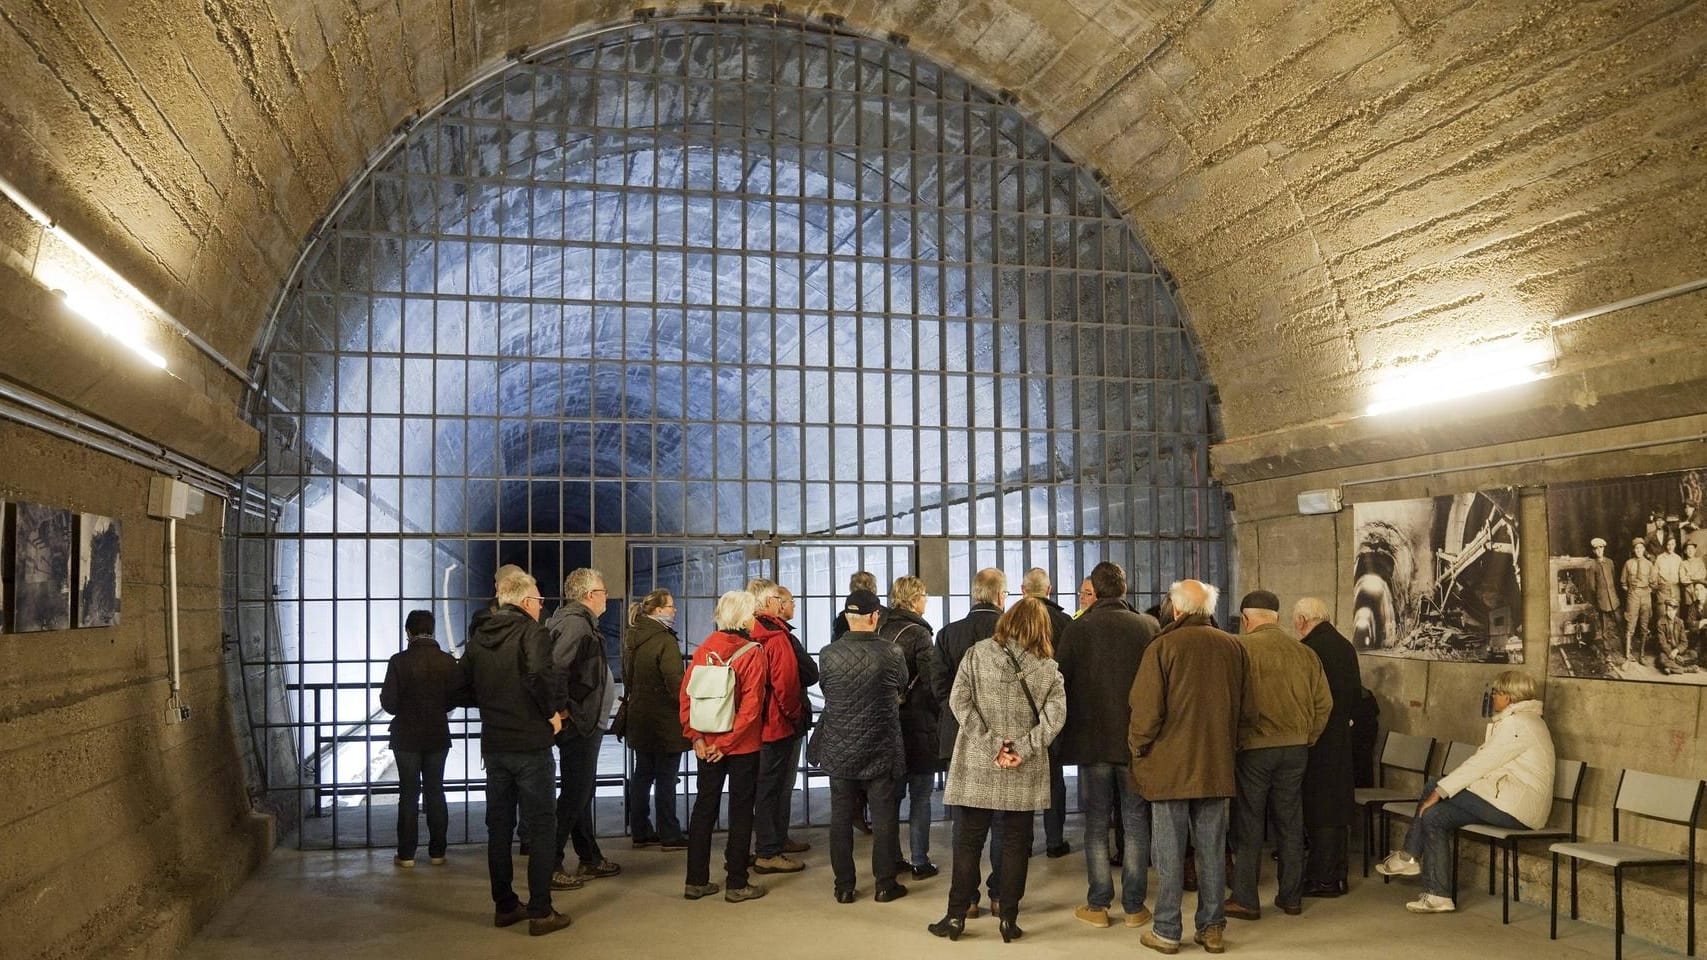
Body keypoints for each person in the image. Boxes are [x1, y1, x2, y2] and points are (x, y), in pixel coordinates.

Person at [927, 598, 1066, 943]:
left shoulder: (976, 654)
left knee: (968, 842)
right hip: (1024, 766)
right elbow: (1055, 719)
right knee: (1016, 844)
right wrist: (1022, 748)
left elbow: (959, 702)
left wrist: (992, 744)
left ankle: (956, 916)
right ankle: (1008, 918)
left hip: (978, 762)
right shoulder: (1047, 667)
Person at [1129, 579, 1254, 956]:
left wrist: (1138, 748)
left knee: (1169, 852)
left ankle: (1167, 931)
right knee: (1212, 849)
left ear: (1177, 609)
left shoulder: (1163, 647)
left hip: (1169, 768)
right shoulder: (1234, 647)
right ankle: (1212, 928)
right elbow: (1248, 711)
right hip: (1216, 766)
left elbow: (1146, 712)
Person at [1376, 671, 1556, 914]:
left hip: (1517, 809)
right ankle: (1437, 895)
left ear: (1511, 697)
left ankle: (1408, 856)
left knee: (1433, 785)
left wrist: (1441, 790)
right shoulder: (1519, 720)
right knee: (1434, 817)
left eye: (1497, 692)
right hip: (1504, 800)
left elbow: (1482, 763)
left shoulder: (1519, 724)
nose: (1493, 696)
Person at [461, 569, 570, 936]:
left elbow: (463, 686)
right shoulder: (531, 633)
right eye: (539, 600)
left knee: (499, 827)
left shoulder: (479, 636)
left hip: (494, 744)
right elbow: (540, 675)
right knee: (541, 826)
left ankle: (505, 905)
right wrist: (551, 712)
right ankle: (541, 910)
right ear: (526, 602)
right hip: (530, 744)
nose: (541, 607)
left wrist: (493, 705)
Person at [1055, 561, 1156, 929]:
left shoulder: (1077, 629)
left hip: (1091, 742)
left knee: (1096, 824)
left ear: (1093, 592)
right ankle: (1134, 907)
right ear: (1124, 590)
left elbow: (1059, 682)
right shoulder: (1148, 626)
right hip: (1136, 742)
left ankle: (1098, 905)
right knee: (1135, 821)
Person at [1225, 590, 1331, 921]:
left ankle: (1245, 898)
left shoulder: (1239, 649)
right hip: (1296, 748)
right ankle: (1291, 897)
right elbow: (1324, 703)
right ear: (1278, 618)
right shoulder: (1305, 653)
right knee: (1290, 822)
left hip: (1255, 749)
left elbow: (1230, 701)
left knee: (1250, 823)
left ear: (1245, 619)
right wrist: (1307, 737)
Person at [810, 588, 909, 903]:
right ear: (874, 616)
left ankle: (844, 886)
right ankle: (884, 884)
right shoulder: (892, 653)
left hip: (839, 746)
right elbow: (902, 685)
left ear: (848, 617)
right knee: (883, 817)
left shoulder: (828, 653)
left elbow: (827, 689)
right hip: (881, 746)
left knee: (840, 817)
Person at [681, 590, 770, 903]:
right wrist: (728, 743)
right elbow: (751, 707)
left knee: (704, 808)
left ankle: (695, 880)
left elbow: (688, 695)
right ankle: (736, 883)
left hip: (706, 744)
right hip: (741, 746)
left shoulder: (705, 647)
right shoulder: (752, 651)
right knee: (741, 811)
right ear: (745, 618)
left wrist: (697, 737)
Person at [933, 567, 1007, 917]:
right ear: (1001, 596)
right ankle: (999, 895)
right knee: (1004, 822)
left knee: (966, 826)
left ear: (974, 594)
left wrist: (967, 716)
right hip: (1004, 739)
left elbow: (940, 688)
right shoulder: (1011, 633)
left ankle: (969, 900)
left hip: (960, 737)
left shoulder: (948, 634)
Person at [544, 568, 621, 890]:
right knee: (575, 795)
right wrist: (563, 710)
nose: (607, 597)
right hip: (581, 722)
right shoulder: (577, 624)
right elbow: (557, 668)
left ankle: (589, 856)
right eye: (603, 591)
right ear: (590, 595)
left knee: (580, 792)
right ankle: (549, 864)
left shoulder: (573, 620)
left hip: (585, 720)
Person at [380, 610, 464, 868]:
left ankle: (406, 855)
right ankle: (438, 852)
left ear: (408, 632)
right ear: (433, 630)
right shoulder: (448, 662)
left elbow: (389, 704)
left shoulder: (398, 661)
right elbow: (454, 699)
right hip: (437, 734)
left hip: (406, 736)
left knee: (408, 794)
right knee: (435, 791)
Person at [1292, 598, 1361, 898]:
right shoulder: (1345, 645)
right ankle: (1337, 875)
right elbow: (1356, 698)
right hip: (1342, 739)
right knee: (1334, 808)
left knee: (1319, 810)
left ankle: (1323, 879)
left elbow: (1306, 698)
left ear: (1304, 619)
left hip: (1317, 739)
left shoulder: (1311, 650)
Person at [880, 575, 941, 879]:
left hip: (885, 724)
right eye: (925, 595)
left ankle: (891, 857)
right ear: (916, 599)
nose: (926, 600)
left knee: (890, 796)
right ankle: (920, 860)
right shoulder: (919, 634)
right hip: (917, 725)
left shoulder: (878, 628)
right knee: (921, 795)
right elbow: (931, 683)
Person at [622, 589, 689, 850]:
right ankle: (670, 833)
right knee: (666, 777)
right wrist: (688, 707)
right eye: (670, 606)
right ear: (658, 610)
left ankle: (639, 830)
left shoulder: (633, 637)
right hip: (664, 720)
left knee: (642, 774)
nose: (674, 610)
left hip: (639, 716)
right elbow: (675, 682)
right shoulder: (664, 640)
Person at [749, 579, 808, 874]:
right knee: (772, 788)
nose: (792, 604)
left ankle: (768, 842)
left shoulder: (746, 633)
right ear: (771, 602)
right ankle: (768, 850)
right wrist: (795, 715)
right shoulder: (776, 638)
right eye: (786, 599)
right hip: (776, 724)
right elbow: (786, 685)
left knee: (759, 787)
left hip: (753, 724)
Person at [1021, 567, 1074, 860]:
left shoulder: (1014, 620)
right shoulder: (1065, 622)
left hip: (1021, 711)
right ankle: (1054, 840)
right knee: (1054, 776)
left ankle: (1024, 841)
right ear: (1050, 590)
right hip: (1054, 709)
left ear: (1022, 590)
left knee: (1025, 775)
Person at [1581, 537, 1621, 657]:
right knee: (1605, 628)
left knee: (1620, 624)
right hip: (1602, 601)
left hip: (1613, 600)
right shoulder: (1592, 565)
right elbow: (1592, 587)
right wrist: (1598, 600)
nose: (1599, 551)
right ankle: (1607, 651)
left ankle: (1624, 648)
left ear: (1604, 549)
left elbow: (1613, 580)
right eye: (1596, 549)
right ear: (1593, 551)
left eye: (1601, 548)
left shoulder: (1610, 562)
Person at [1623, 538, 1656, 662]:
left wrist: (1645, 591)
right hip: (1633, 595)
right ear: (1634, 550)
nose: (1639, 550)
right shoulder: (1628, 563)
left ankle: (1642, 655)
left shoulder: (1649, 564)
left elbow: (1653, 583)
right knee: (1630, 623)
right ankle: (1627, 653)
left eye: (1641, 548)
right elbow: (1623, 583)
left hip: (1646, 595)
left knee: (1644, 625)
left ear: (1644, 549)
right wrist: (1632, 592)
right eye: (1636, 548)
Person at [832, 571, 887, 641]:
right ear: (874, 588)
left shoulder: (842, 618)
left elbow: (836, 645)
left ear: (852, 589)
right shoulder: (888, 615)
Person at [1655, 597, 1699, 673]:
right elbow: (1662, 643)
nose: (1671, 612)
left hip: (1678, 652)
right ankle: (1687, 669)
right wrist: (1671, 653)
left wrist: (1677, 651)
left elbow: (1684, 642)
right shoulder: (1660, 622)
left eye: (1673, 610)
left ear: (1676, 611)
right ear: (1666, 610)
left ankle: (1671, 667)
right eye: (1669, 610)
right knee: (1661, 659)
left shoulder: (1680, 622)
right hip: (1667, 652)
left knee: (1694, 654)